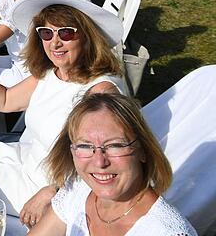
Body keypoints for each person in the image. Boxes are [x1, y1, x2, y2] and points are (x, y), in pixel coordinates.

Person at [0, 0, 126, 233]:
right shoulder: (53, 73)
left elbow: (103, 163)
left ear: (87, 36)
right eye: (46, 33)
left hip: (54, 183)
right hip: (27, 158)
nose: (55, 42)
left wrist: (53, 191)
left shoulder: (101, 92)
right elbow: (6, 100)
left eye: (65, 32)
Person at [30, 93, 196, 235]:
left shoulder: (166, 232)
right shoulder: (79, 190)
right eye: (85, 146)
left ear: (143, 151)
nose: (100, 162)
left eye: (115, 145)